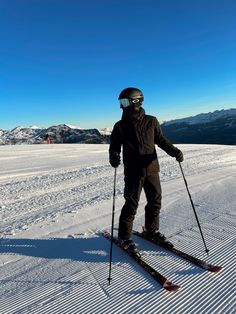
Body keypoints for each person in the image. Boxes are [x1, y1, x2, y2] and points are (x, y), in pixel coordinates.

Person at [109, 87, 183, 255]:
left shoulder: (151, 121)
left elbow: (161, 140)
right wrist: (113, 156)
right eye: (121, 102)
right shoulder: (120, 126)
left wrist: (174, 152)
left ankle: (151, 230)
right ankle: (124, 237)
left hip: (151, 169)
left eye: (124, 102)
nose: (122, 106)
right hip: (133, 171)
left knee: (155, 201)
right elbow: (114, 146)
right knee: (131, 203)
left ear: (136, 101)